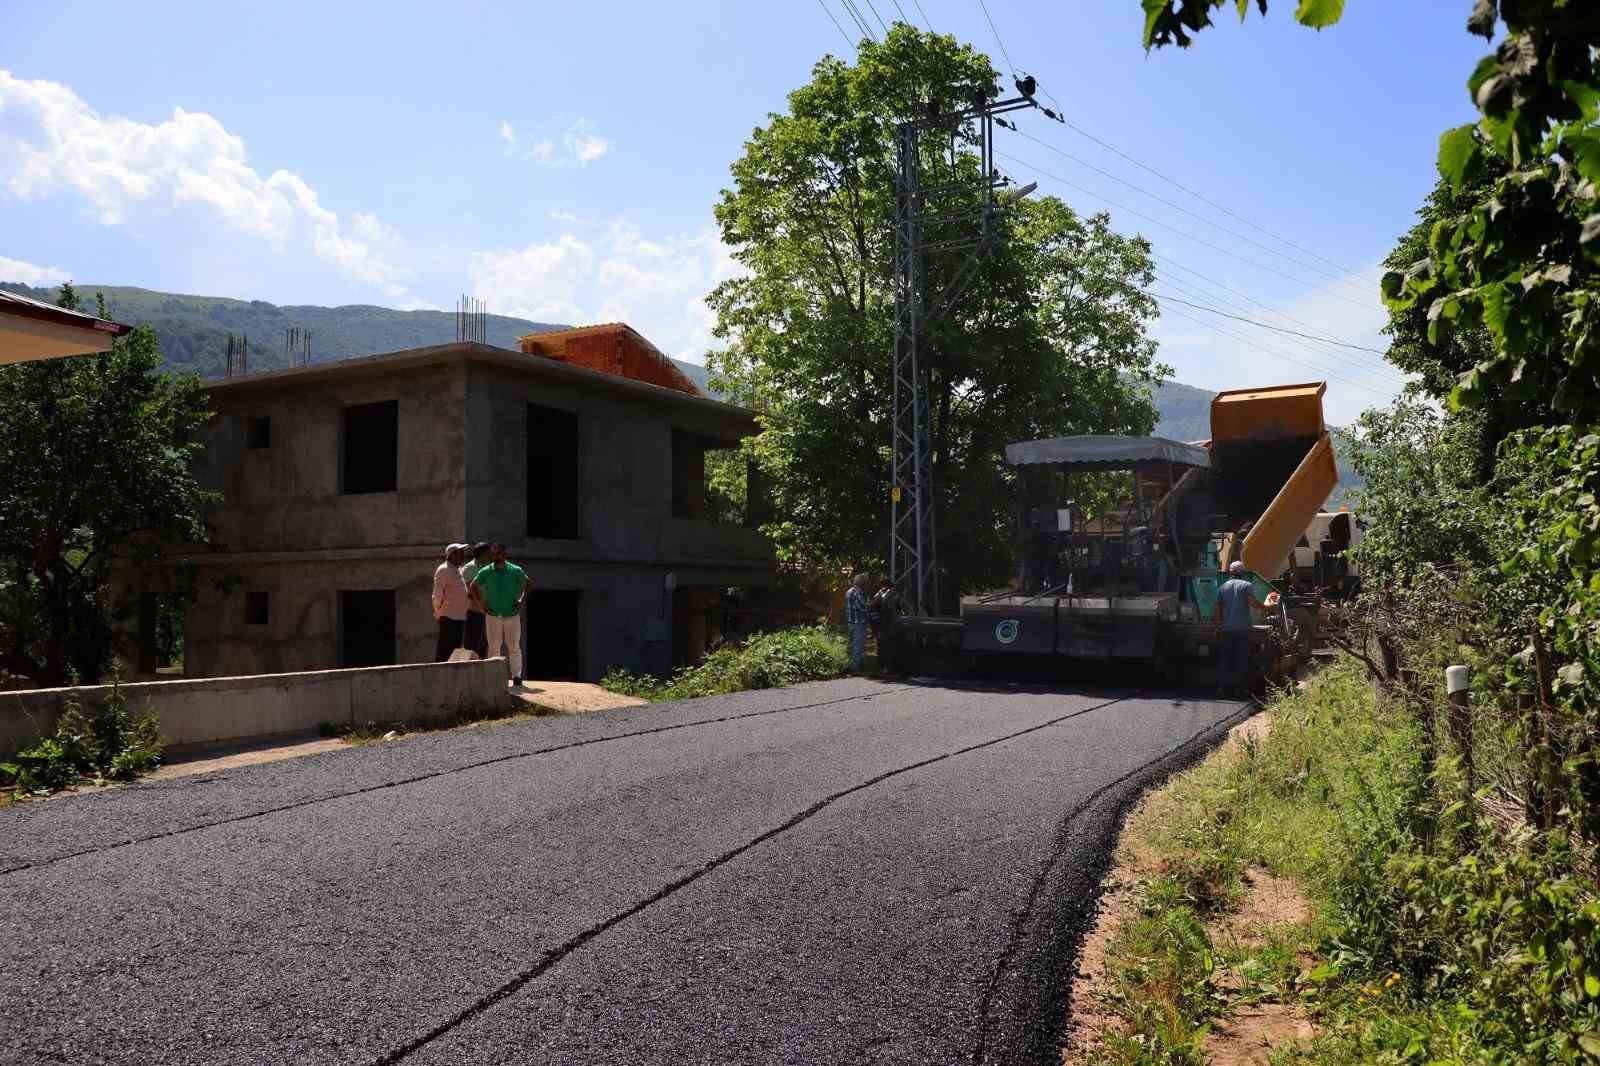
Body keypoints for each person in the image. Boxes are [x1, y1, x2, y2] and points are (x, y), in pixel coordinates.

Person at [470, 542, 531, 686]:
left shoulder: (515, 570)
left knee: (514, 647)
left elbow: (528, 583)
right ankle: (494, 678)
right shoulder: (486, 571)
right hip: (493, 615)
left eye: (497, 553)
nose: (494, 556)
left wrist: (521, 600)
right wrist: (480, 604)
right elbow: (473, 586)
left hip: (511, 615)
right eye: (493, 554)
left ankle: (516, 677)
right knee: (493, 648)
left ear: (504, 554)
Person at [1213, 560, 1268, 698]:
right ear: (1242, 573)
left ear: (1230, 573)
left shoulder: (1222, 587)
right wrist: (1264, 608)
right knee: (1241, 659)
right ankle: (1240, 689)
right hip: (1242, 629)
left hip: (1227, 629)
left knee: (1225, 659)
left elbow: (1218, 609)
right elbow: (1251, 602)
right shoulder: (1246, 585)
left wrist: (1217, 626)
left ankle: (1222, 688)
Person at [432, 543, 470, 662]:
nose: (463, 555)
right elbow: (437, 595)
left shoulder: (457, 570)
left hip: (459, 617)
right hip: (448, 617)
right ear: (452, 555)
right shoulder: (444, 570)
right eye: (460, 553)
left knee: (455, 652)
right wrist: (440, 612)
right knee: (444, 651)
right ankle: (438, 676)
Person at [461, 542, 491, 659]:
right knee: (472, 645)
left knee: (483, 645)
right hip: (473, 612)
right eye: (488, 553)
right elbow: (465, 591)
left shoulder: (488, 568)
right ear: (483, 554)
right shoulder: (469, 568)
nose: (490, 555)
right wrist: (479, 603)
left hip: (487, 613)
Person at [844, 572, 870, 673]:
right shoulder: (857, 593)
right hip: (858, 623)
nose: (867, 585)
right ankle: (855, 669)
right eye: (866, 583)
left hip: (851, 622)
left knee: (851, 645)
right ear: (862, 583)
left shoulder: (848, 591)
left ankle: (849, 665)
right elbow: (864, 608)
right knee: (857, 646)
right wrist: (874, 601)